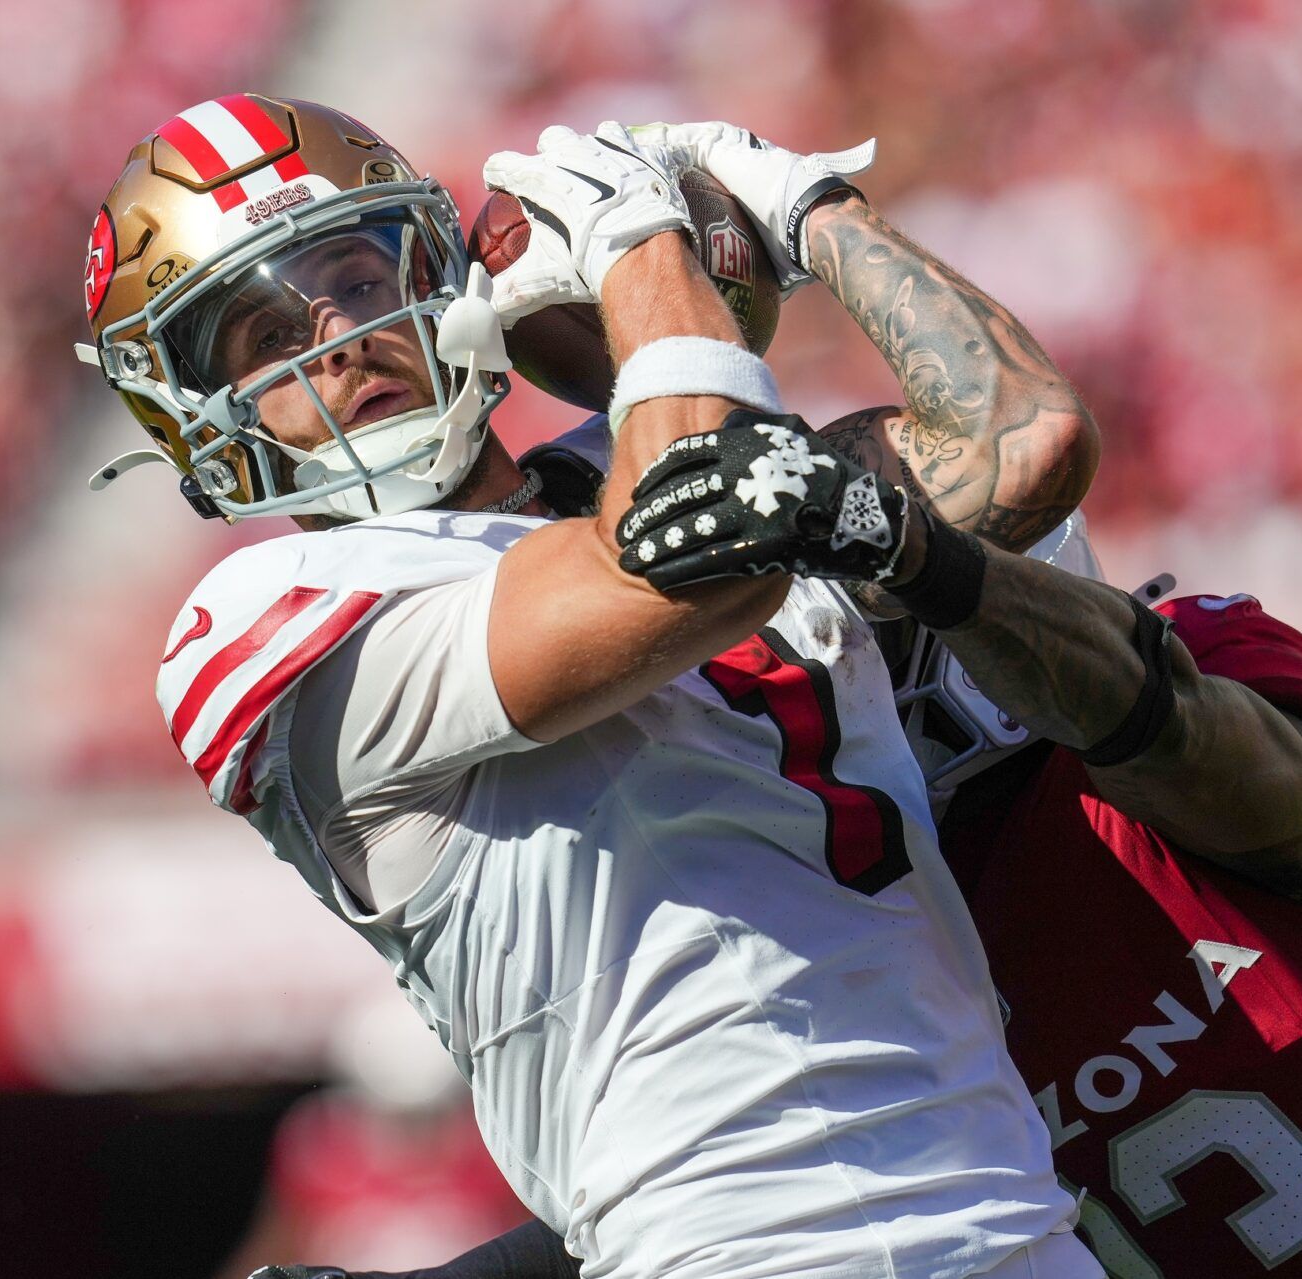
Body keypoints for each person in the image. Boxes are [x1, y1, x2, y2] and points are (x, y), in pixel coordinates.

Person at [259, 122, 1302, 1279]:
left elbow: (1029, 455)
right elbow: (760, 1181)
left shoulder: (1175, 692)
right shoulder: (878, 901)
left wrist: (815, 214)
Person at [79, 95, 1103, 1278]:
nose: (337, 336)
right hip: (742, 1248)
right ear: (198, 418)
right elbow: (696, 566)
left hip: (1016, 1220)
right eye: (263, 340)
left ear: (434, 273)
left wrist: (811, 209)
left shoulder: (633, 462)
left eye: (357, 280)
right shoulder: (270, 612)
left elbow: (1021, 440)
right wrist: (640, 248)